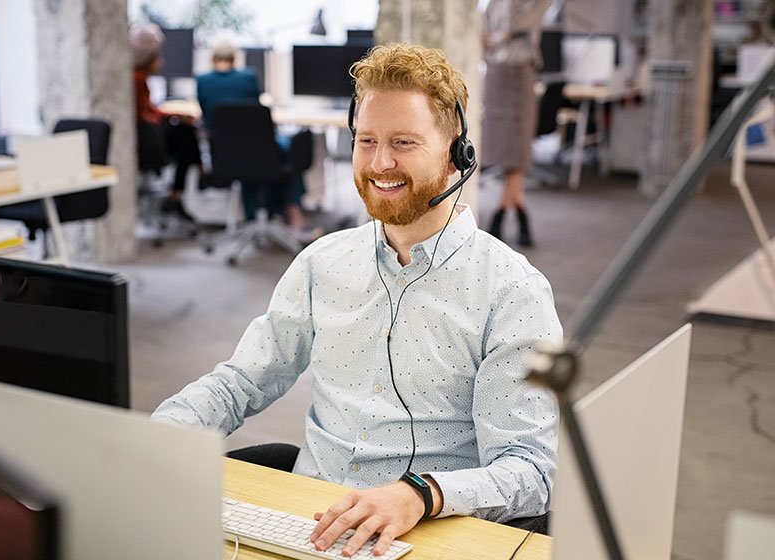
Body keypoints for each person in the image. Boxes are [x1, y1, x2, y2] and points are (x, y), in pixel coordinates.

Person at [153, 43, 561, 557]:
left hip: (425, 535)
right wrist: (156, 437)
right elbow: (241, 382)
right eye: (366, 140)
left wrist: (423, 494)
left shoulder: (510, 291)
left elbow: (530, 469)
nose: (380, 162)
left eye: (404, 142)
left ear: (456, 150)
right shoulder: (322, 262)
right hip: (308, 521)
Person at [196, 41, 310, 234]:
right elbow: (252, 114)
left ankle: (253, 216)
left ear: (212, 59)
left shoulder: (202, 81)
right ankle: (292, 210)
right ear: (234, 59)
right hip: (258, 152)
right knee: (287, 148)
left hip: (224, 157)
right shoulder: (248, 77)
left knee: (249, 159)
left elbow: (207, 119)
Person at [481, 0, 553, 247]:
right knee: (503, 148)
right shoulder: (493, 3)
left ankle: (500, 213)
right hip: (495, 74)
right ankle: (520, 210)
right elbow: (483, 35)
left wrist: (499, 37)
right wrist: (500, 37)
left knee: (518, 148)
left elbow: (521, 26)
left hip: (520, 72)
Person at [130, 23, 202, 217]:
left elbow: (149, 110)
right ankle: (196, 177)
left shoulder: (139, 78)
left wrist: (174, 114)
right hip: (150, 143)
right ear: (148, 58)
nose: (161, 62)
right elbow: (145, 115)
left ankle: (190, 180)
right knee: (186, 135)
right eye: (157, 57)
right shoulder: (137, 80)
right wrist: (175, 115)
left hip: (150, 136)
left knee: (185, 131)